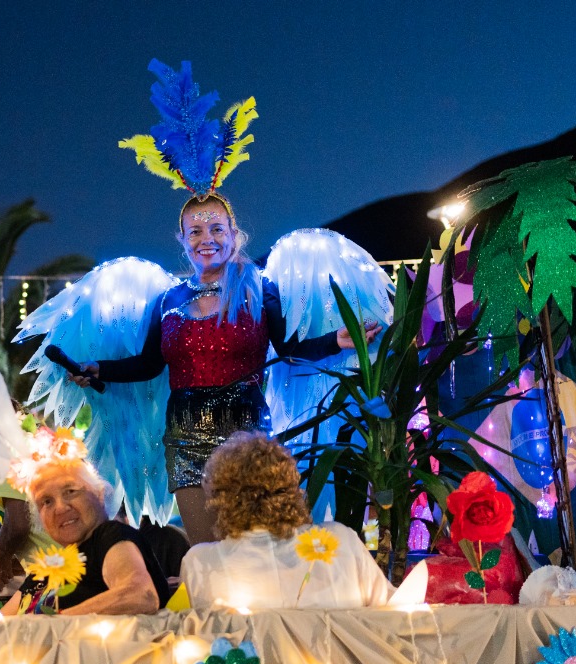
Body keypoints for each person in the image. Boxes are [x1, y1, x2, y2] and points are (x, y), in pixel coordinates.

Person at [70, 194, 379, 543]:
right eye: (196, 231)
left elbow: (290, 351)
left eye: (217, 229)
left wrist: (337, 340)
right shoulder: (168, 299)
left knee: (257, 546)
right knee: (207, 550)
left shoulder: (260, 288)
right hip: (184, 437)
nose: (207, 239)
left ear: (234, 234)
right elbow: (149, 364)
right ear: (182, 239)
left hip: (246, 436)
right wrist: (98, 369)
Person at [180, 432, 394, 611]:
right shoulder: (340, 541)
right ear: (291, 486)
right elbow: (393, 615)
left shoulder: (200, 563)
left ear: (221, 499)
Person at [1, 460, 169, 616]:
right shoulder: (50, 565)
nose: (60, 508)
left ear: (99, 494)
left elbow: (141, 595)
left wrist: (53, 623)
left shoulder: (109, 536)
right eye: (46, 501)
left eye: (70, 491)